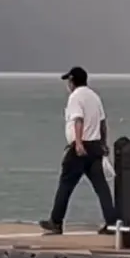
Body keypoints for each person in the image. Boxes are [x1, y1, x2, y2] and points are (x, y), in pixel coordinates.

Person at [38, 66, 119, 235]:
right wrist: (104, 144)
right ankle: (111, 223)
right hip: (95, 146)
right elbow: (103, 124)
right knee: (101, 187)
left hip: (80, 148)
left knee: (66, 184)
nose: (68, 84)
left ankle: (56, 221)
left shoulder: (75, 97)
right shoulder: (94, 96)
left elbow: (78, 120)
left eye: (69, 80)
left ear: (73, 81)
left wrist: (79, 143)